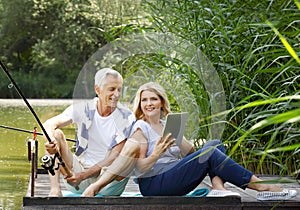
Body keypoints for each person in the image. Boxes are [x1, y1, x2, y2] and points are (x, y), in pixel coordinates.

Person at [82, 82, 297, 201]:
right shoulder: (142, 128)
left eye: (153, 99)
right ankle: (261, 187)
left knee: (213, 144)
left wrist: (181, 140)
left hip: (173, 176)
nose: (149, 103)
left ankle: (217, 187)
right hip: (154, 184)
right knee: (210, 153)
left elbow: (191, 153)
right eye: (145, 100)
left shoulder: (168, 124)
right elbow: (140, 168)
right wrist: (156, 154)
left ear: (161, 102)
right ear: (140, 104)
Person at [43, 68, 135, 197]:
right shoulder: (84, 108)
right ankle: (55, 190)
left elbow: (113, 158)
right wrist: (50, 142)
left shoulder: (127, 117)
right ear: (97, 89)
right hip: (78, 180)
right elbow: (49, 124)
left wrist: (82, 176)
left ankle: (93, 188)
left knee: (130, 152)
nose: (117, 94)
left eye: (119, 89)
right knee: (56, 134)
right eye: (112, 89)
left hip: (107, 184)